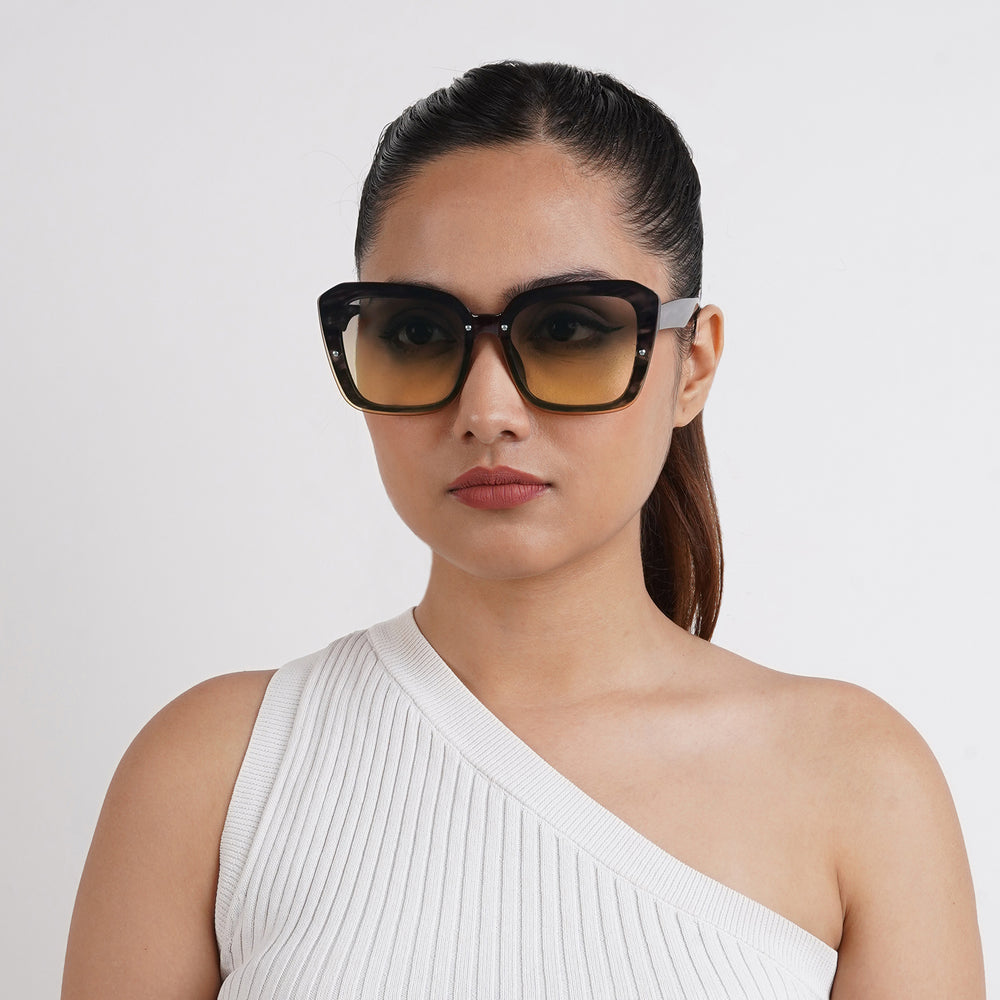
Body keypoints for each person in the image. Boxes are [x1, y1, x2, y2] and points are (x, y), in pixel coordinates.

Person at [61, 61, 985, 999]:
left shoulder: (860, 784)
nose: (488, 411)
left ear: (693, 363)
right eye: (418, 333)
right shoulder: (215, 773)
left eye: (569, 329)